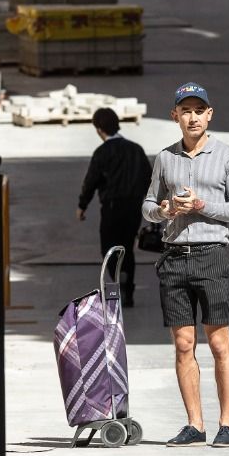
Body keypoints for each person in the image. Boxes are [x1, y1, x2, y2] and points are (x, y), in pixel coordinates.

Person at [142, 83, 229, 449]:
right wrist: (164, 210)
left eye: (198, 110)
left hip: (210, 255)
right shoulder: (165, 158)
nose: (192, 117)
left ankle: (227, 423)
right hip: (174, 258)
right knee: (183, 344)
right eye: (184, 111)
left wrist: (203, 206)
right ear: (175, 116)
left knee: (219, 342)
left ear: (209, 115)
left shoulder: (228, 157)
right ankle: (194, 424)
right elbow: (147, 205)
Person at [77, 107, 152, 307]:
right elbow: (149, 177)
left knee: (109, 249)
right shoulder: (135, 149)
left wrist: (82, 205)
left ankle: (117, 286)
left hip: (112, 207)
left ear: (99, 129)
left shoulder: (102, 153)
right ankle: (128, 289)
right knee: (127, 247)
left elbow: (91, 180)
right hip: (134, 206)